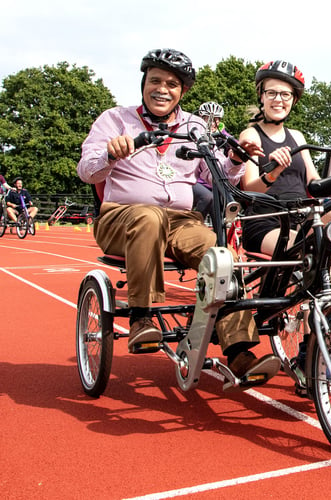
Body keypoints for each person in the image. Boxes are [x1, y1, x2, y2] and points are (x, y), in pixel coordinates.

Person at [77, 48, 279, 386]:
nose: (162, 89)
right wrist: (110, 153)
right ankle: (142, 318)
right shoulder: (114, 119)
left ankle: (239, 351)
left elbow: (220, 178)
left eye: (172, 84)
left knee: (222, 254)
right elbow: (86, 171)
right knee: (148, 218)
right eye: (155, 81)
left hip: (181, 221)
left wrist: (235, 159)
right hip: (121, 217)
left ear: (182, 91)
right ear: (144, 83)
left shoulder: (195, 126)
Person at [238, 60, 331, 265]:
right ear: (261, 96)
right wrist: (273, 173)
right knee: (319, 246)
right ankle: (321, 296)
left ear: (293, 100)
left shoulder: (297, 137)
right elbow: (248, 190)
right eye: (272, 93)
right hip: (266, 221)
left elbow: (314, 184)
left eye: (285, 94)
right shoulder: (251, 134)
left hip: (301, 217)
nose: (278, 99)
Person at [192, 101, 226, 218]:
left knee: (222, 205)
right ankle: (193, 227)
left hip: (215, 181)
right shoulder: (193, 133)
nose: (211, 122)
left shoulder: (224, 137)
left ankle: (220, 234)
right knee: (207, 197)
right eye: (207, 118)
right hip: (196, 180)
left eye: (215, 119)